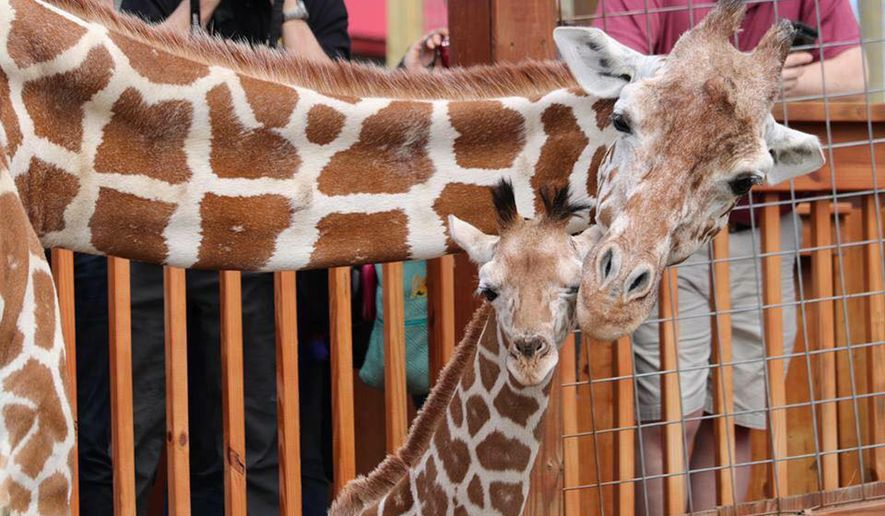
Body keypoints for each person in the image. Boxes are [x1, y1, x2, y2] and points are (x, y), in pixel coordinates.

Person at [74, 1, 348, 515]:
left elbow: (334, 103)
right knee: (130, 427)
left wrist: (290, 11)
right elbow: (135, 69)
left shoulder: (305, 7)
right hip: (143, 226)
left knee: (251, 432)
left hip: (245, 231)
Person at [592, 0, 863, 513]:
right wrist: (746, 84)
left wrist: (748, 84)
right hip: (666, 229)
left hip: (764, 226)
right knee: (670, 412)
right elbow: (614, 72)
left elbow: (855, 72)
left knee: (740, 411)